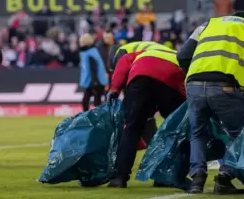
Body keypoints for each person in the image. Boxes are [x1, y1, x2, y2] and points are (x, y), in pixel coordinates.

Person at [176, 11, 244, 195]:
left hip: (194, 85)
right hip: (225, 86)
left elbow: (182, 54)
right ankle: (224, 176)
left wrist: (196, 77)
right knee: (243, 134)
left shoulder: (208, 24)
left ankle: (197, 180)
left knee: (198, 134)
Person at [106, 48, 186, 188]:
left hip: (140, 78)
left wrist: (114, 89)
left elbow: (124, 63)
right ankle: (164, 176)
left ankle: (119, 178)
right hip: (169, 81)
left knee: (132, 129)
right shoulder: (178, 55)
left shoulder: (139, 52)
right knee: (175, 129)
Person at [109, 41, 171, 144]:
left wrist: (114, 92)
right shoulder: (139, 48)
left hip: (152, 68)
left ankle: (142, 145)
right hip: (171, 67)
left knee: (135, 114)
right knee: (168, 114)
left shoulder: (121, 52)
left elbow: (121, 72)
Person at [79, 34, 108, 112]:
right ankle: (95, 117)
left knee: (89, 100)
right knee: (95, 101)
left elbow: (93, 68)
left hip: (95, 81)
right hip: (96, 80)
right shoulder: (92, 51)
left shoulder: (89, 53)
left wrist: (94, 81)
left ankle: (87, 116)